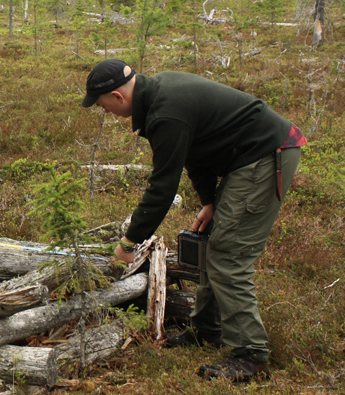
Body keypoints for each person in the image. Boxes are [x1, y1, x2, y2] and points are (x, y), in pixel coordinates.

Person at [80, 59, 305, 381]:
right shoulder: (160, 93)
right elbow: (196, 154)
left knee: (229, 255)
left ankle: (250, 356)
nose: (106, 113)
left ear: (117, 96)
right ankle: (206, 330)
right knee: (215, 245)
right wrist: (210, 201)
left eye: (103, 106)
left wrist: (130, 242)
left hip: (266, 156)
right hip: (246, 159)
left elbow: (163, 186)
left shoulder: (165, 113)